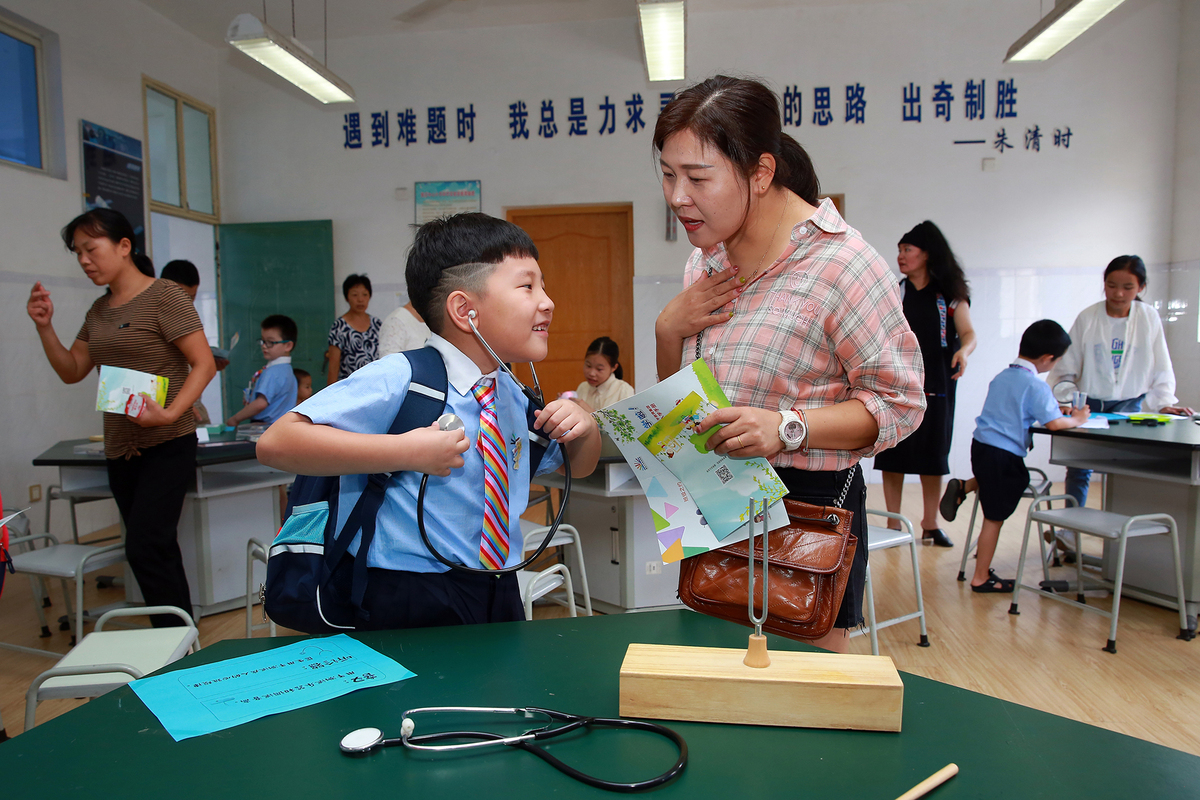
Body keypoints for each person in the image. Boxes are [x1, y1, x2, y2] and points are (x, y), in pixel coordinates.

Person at [652, 76, 926, 653]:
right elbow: (679, 407)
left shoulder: (843, 267)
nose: (678, 196)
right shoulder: (704, 264)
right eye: (668, 174)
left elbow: (900, 404)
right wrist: (667, 330)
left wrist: (786, 427)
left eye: (698, 178)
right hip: (715, 495)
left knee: (803, 706)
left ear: (760, 171)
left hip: (806, 509)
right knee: (712, 692)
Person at [256, 212, 601, 630]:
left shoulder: (511, 393)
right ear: (465, 310)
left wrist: (586, 429)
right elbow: (276, 442)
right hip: (407, 592)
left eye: (542, 286)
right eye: (528, 286)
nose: (547, 301)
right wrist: (407, 451)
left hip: (498, 586)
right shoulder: (403, 377)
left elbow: (576, 467)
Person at [25, 209, 216, 627]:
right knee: (155, 546)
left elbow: (202, 364)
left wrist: (169, 413)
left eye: (91, 249)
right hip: (122, 449)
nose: (84, 260)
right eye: (78, 253)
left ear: (124, 246)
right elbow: (73, 369)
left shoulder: (166, 296)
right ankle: (179, 637)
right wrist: (45, 328)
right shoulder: (99, 311)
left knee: (146, 545)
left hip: (168, 443)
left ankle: (174, 641)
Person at [940, 320, 1089, 591]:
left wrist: (1058, 412)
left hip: (982, 447)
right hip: (1004, 455)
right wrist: (1077, 418)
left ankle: (966, 486)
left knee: (996, 480)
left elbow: (1034, 411)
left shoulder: (1003, 376)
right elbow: (1054, 424)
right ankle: (981, 577)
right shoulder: (1036, 385)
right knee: (994, 518)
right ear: (1047, 359)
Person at [1047, 255, 1194, 511]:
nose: (1118, 294)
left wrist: (1164, 402)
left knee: (1127, 468)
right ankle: (1070, 533)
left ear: (1141, 288)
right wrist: (1066, 401)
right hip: (1090, 406)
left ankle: (1123, 535)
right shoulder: (1088, 317)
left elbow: (1161, 364)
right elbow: (1066, 368)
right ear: (1104, 284)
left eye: (1128, 287)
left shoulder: (1148, 318)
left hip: (1130, 406)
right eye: (1112, 285)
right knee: (1080, 467)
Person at [874, 221, 976, 548]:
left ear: (926, 254)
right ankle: (893, 525)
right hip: (898, 384)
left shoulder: (951, 297)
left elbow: (970, 334)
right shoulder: (896, 291)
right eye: (900, 251)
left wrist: (964, 349)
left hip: (939, 385)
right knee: (894, 455)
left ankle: (930, 524)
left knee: (934, 456)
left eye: (908, 250)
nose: (901, 256)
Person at [227, 315, 299, 427]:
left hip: (266, 427)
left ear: (288, 345)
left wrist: (235, 419)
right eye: (263, 341)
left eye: (271, 342)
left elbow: (260, 404)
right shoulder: (287, 370)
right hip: (282, 426)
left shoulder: (273, 372)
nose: (264, 346)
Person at [327, 274, 381, 384]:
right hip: (349, 389)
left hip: (375, 386)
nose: (360, 300)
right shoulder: (339, 326)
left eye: (365, 294)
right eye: (355, 295)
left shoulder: (377, 324)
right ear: (347, 297)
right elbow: (333, 367)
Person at [573, 336, 635, 413]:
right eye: (588, 366)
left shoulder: (623, 390)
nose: (592, 373)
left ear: (614, 368)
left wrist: (590, 412)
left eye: (599, 369)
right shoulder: (583, 387)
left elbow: (627, 424)